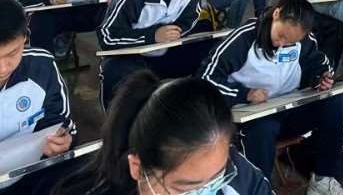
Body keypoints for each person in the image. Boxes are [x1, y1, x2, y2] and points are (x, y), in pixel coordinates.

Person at [200, 0, 343, 194]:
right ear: (276, 14)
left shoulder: (303, 40)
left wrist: (321, 79)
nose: (282, 44)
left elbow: (320, 66)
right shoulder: (244, 39)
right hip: (251, 116)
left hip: (287, 108)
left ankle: (323, 178)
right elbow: (205, 78)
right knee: (264, 129)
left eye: (290, 42)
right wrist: (245, 94)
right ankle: (260, 189)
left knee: (333, 102)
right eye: (281, 36)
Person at [52, 71, 272, 195]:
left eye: (217, 179)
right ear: (138, 168)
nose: (209, 191)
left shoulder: (236, 170)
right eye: (184, 189)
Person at [98, 0, 213, 108]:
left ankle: (199, 109)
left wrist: (174, 31)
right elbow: (107, 37)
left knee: (212, 51)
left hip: (166, 51)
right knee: (113, 70)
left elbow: (190, 19)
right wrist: (152, 36)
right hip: (133, 55)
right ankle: (120, 120)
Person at [0, 0, 74, 194]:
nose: (3, 68)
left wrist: (63, 140)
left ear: (25, 38)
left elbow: (59, 120)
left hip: (29, 173)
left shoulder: (41, 67)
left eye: (12, 53)